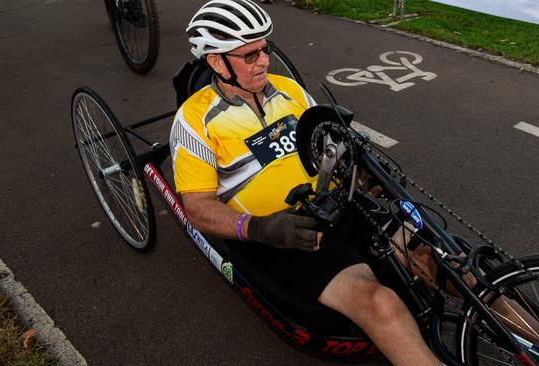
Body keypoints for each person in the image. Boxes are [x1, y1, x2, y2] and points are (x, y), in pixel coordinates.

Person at [169, 1, 442, 365]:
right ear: (217, 62)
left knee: (445, 258)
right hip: (281, 234)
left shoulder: (290, 91)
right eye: (250, 55)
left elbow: (330, 144)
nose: (264, 60)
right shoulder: (193, 120)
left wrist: (357, 174)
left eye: (265, 48)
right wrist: (258, 227)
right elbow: (198, 208)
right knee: (382, 303)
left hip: (336, 203)